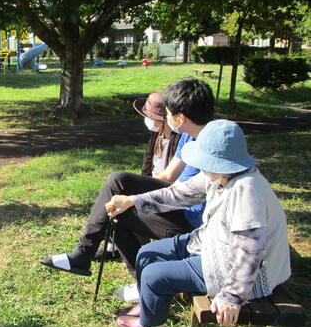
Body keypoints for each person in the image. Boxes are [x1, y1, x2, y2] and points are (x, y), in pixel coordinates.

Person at [110, 120, 290, 327]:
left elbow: (250, 254)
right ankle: (149, 306)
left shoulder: (247, 192)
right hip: (211, 244)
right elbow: (178, 194)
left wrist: (232, 297)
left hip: (234, 270)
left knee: (153, 275)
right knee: (148, 254)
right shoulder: (219, 176)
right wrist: (132, 201)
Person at [40, 78, 214, 303]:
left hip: (191, 224)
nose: (166, 119)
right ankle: (135, 279)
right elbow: (166, 177)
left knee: (118, 183)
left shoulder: (213, 145)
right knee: (114, 209)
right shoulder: (190, 136)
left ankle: (85, 255)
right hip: (177, 204)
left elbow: (184, 195)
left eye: (169, 113)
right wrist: (134, 194)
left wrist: (135, 199)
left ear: (180, 117)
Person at [94, 90, 180, 262]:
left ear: (164, 118)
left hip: (167, 192)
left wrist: (139, 192)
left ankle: (100, 246)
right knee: (116, 195)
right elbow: (147, 165)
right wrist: (139, 184)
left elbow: (171, 178)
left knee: (120, 192)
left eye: (150, 116)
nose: (147, 119)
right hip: (153, 184)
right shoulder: (157, 134)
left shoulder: (179, 139)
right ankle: (113, 246)